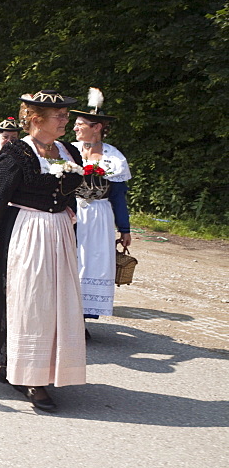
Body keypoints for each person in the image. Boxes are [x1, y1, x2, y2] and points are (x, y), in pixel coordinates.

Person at [0, 89, 87, 412]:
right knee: (31, 300)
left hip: (60, 231)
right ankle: (28, 376)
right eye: (59, 116)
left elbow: (71, 194)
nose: (66, 120)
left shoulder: (68, 152)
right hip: (28, 231)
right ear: (36, 120)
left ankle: (48, 367)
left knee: (58, 299)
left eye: (66, 115)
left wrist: (71, 224)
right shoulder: (17, 153)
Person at [71, 88, 131, 324]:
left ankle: (82, 319)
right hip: (71, 212)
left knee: (92, 262)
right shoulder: (68, 151)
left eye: (80, 124)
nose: (75, 128)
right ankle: (63, 315)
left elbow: (118, 196)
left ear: (96, 127)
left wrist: (124, 229)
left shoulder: (113, 159)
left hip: (98, 217)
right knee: (68, 260)